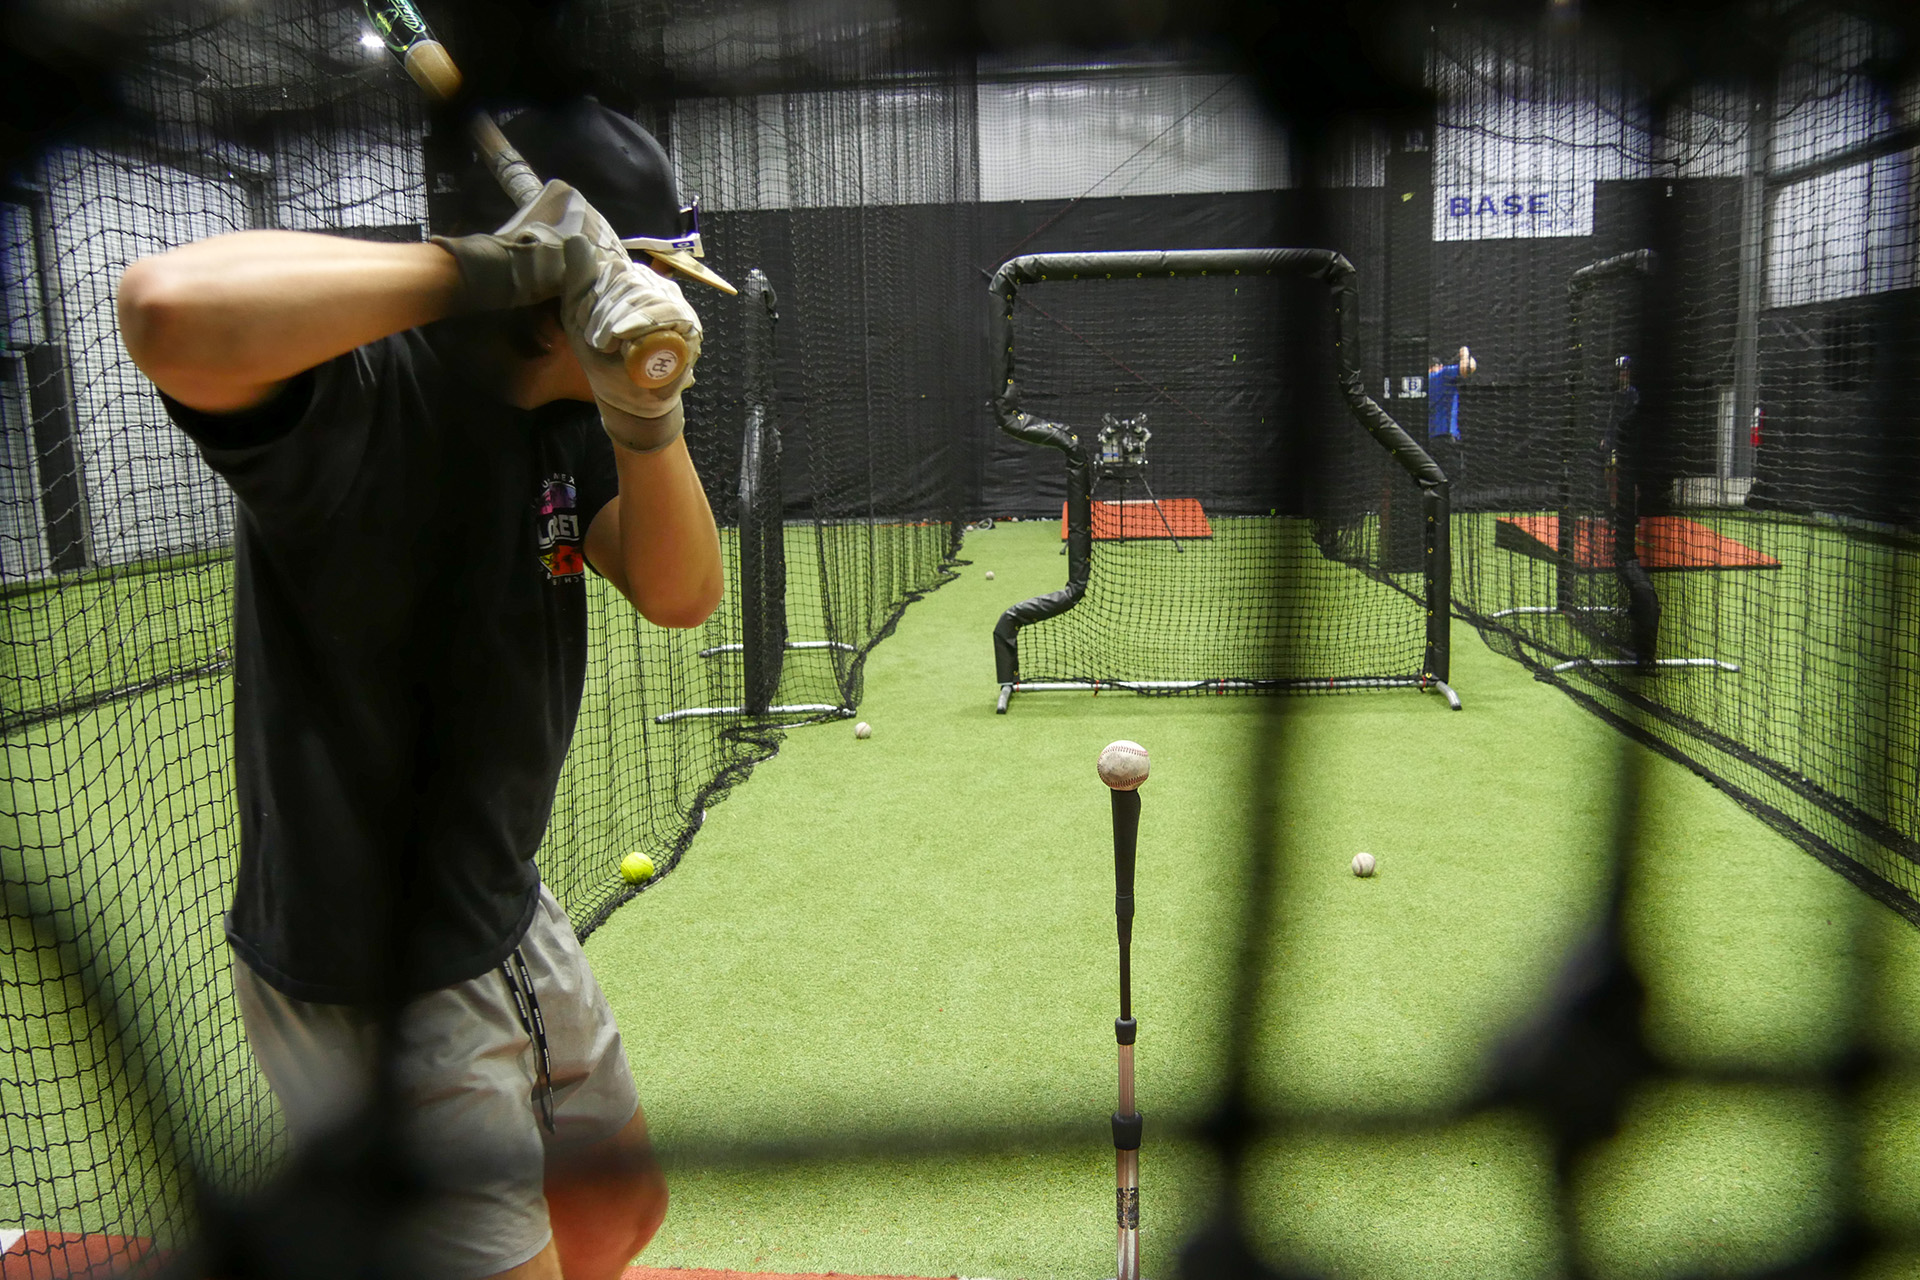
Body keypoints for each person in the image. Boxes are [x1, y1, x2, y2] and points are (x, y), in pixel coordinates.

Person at [115, 99, 729, 1280]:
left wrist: (647, 417)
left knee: (615, 1210)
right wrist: (483, 273)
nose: (676, 300)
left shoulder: (571, 408)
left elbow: (679, 592)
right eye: (654, 271)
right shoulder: (360, 397)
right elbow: (161, 305)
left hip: (502, 903)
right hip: (373, 965)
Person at [1426, 344, 1477, 490]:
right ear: (1438, 366)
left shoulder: (1424, 382)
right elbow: (1468, 369)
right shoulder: (1443, 374)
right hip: (1446, 435)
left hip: (1428, 437)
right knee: (1452, 477)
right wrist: (1465, 353)